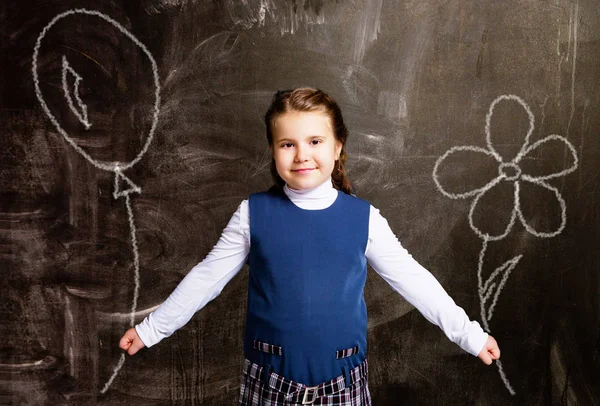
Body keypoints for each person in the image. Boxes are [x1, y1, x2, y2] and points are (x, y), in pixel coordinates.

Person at [119, 88, 500, 405]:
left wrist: (469, 335)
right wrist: (152, 329)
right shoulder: (253, 214)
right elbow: (207, 278)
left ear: (337, 148)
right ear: (273, 150)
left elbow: (412, 280)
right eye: (288, 143)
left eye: (315, 141)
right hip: (268, 384)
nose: (302, 154)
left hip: (344, 385)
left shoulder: (363, 219)